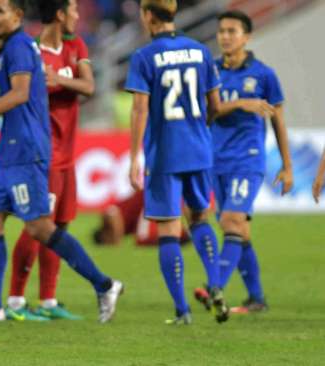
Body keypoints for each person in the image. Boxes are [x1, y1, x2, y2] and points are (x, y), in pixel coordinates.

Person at [0, 0, 123, 323]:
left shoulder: (21, 46)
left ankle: (104, 284)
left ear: (17, 15)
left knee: (40, 227)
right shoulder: (10, 48)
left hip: (27, 151)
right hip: (7, 151)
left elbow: (21, 94)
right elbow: (19, 95)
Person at [125, 0, 226, 324]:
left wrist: (133, 156)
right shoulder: (201, 51)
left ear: (149, 16)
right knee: (200, 218)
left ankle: (182, 310)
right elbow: (216, 105)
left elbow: (140, 109)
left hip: (165, 153)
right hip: (199, 148)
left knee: (169, 229)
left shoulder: (144, 56)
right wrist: (199, 131)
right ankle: (215, 285)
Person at [194, 10, 293, 314]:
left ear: (247, 36)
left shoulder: (264, 75)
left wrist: (287, 166)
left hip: (247, 160)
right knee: (239, 231)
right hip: (215, 160)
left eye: (232, 31)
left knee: (231, 221)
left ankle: (215, 288)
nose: (225, 36)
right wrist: (238, 104)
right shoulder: (209, 71)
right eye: (221, 30)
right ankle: (256, 299)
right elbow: (206, 115)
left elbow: (278, 121)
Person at [5, 0, 93, 322]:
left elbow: (89, 86)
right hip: (43, 154)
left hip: (68, 156)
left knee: (61, 226)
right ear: (59, 14)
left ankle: (48, 300)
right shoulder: (29, 50)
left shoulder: (76, 44)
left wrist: (58, 79)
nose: (78, 16)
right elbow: (15, 93)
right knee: (37, 226)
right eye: (73, 10)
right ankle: (15, 302)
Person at [92, 191, 191, 246]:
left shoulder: (107, 217)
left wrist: (117, 242)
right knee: (164, 227)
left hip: (148, 200)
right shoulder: (126, 226)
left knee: (142, 237)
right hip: (149, 202)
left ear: (104, 234)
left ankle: (179, 237)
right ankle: (181, 236)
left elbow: (113, 214)